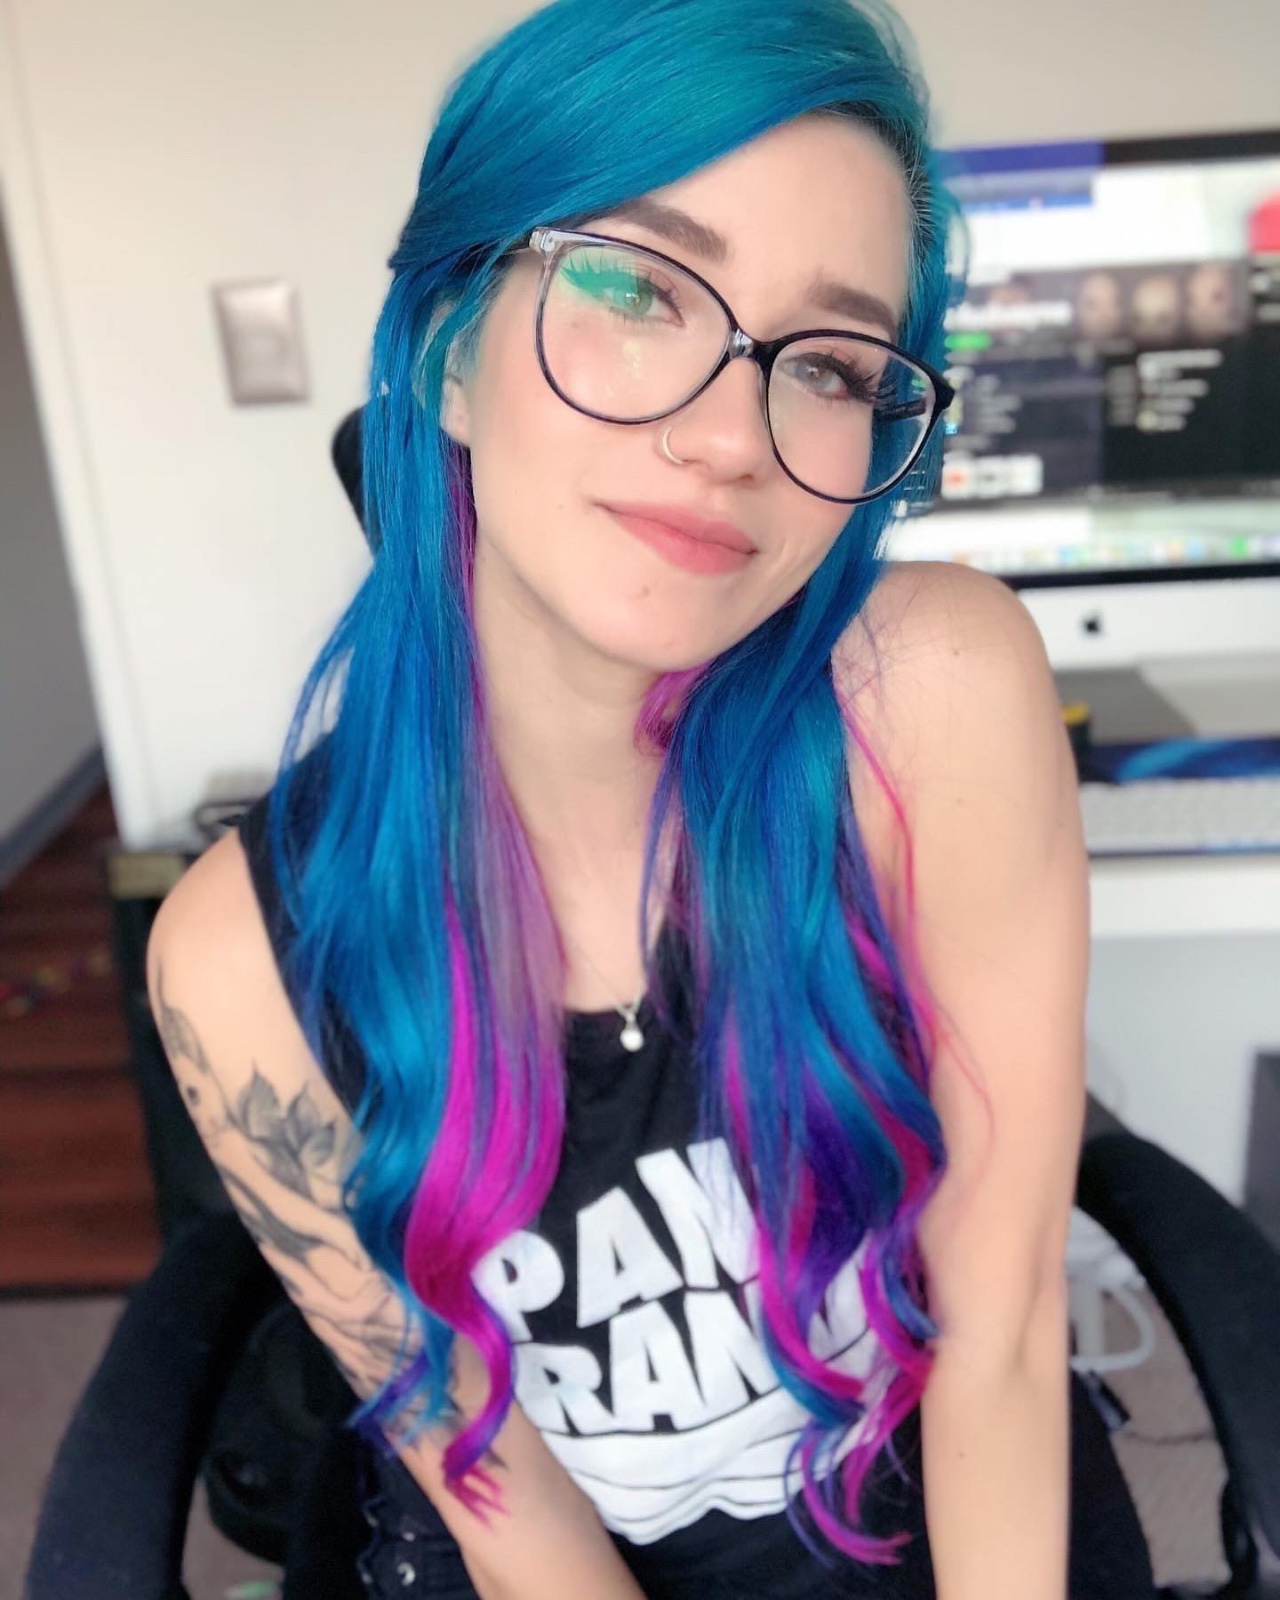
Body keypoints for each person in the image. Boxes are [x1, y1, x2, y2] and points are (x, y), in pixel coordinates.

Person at [147, 1, 1153, 1596]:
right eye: (635, 286)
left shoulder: (932, 701)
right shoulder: (237, 967)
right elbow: (502, 1502)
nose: (731, 437)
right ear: (448, 348)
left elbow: (1006, 1331)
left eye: (831, 364)